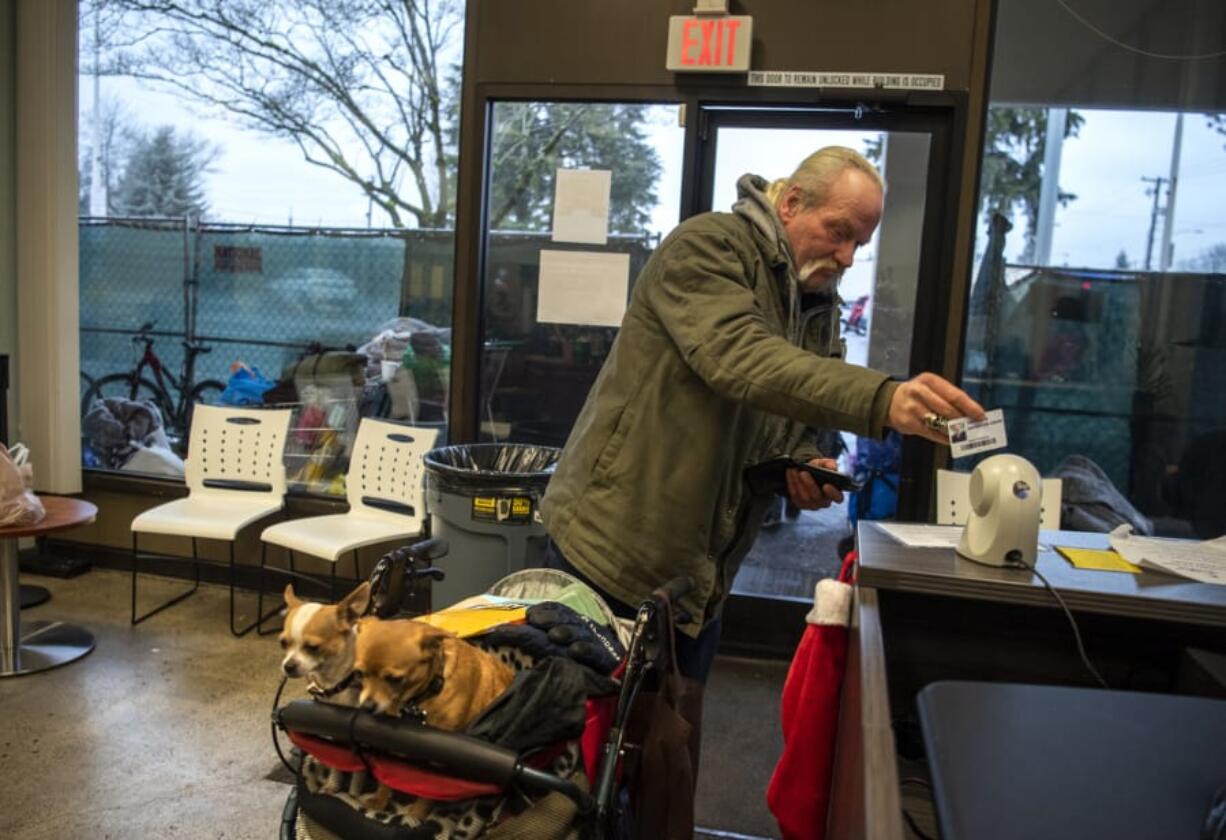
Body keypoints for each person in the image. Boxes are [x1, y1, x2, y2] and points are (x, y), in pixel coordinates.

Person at [540, 147, 985, 688]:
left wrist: (800, 463)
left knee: (668, 750)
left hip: (699, 576)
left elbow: (788, 411)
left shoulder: (813, 299)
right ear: (793, 203)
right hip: (613, 554)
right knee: (581, 746)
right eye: (838, 231)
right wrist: (883, 399)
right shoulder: (706, 246)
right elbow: (738, 358)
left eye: (858, 245)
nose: (846, 257)